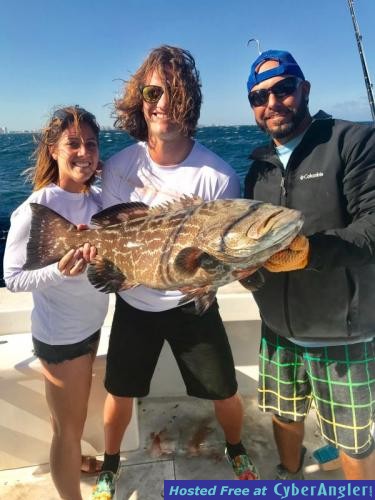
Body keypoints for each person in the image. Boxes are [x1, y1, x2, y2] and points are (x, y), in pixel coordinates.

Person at [91, 45, 259, 498]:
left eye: (174, 93)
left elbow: (225, 250)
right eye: (152, 92)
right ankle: (110, 465)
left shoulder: (219, 176)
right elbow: (111, 236)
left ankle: (237, 446)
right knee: (119, 390)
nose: (162, 103)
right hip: (134, 302)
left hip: (193, 304)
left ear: (190, 101)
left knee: (224, 390)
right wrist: (95, 258)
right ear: (139, 99)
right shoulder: (120, 167)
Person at [244, 49, 375, 480]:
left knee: (354, 439)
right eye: (259, 97)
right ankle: (288, 473)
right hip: (278, 328)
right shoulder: (258, 168)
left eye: (283, 89)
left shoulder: (351, 140)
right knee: (284, 416)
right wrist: (245, 273)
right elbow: (251, 245)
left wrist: (313, 252)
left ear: (304, 89)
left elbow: (372, 226)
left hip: (343, 332)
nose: (272, 103)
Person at [3, 106, 109, 499]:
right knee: (69, 429)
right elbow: (12, 278)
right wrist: (57, 272)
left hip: (92, 325)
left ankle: (76, 460)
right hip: (62, 339)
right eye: (73, 144)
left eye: (92, 144)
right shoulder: (37, 207)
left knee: (67, 422)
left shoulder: (98, 200)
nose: (84, 152)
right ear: (53, 150)